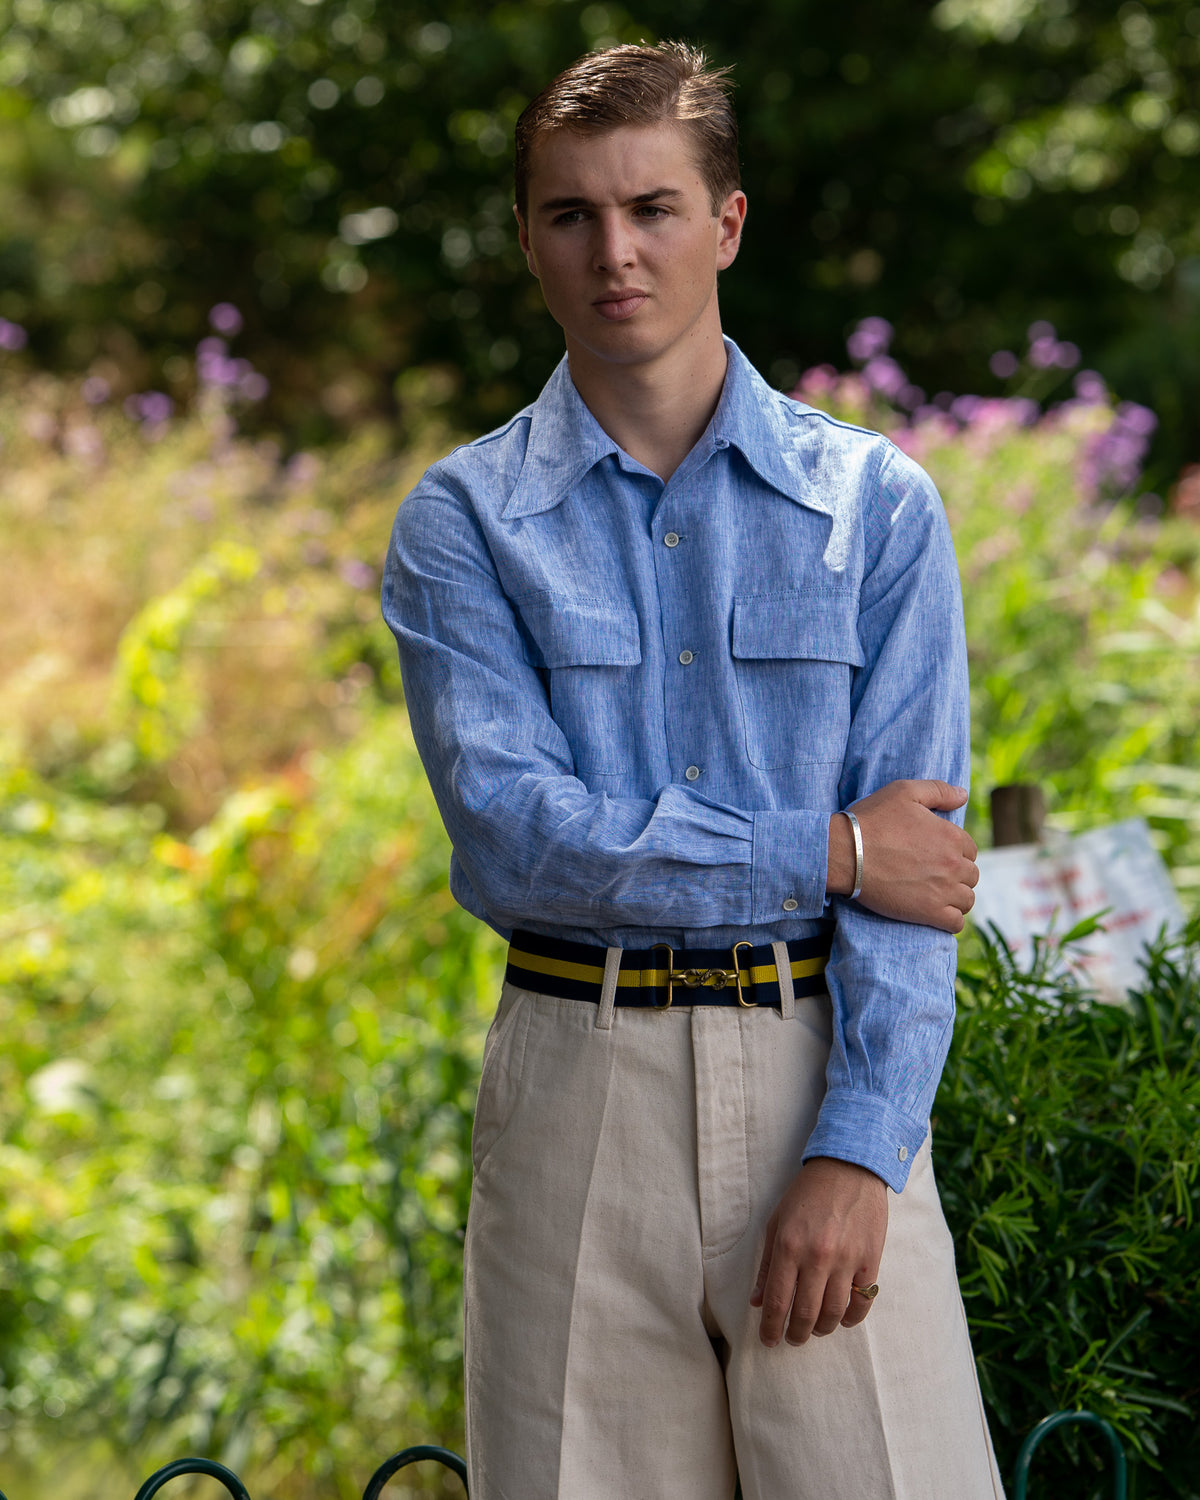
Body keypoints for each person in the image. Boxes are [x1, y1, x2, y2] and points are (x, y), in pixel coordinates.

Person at [382, 40, 1003, 1500]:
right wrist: (830, 852)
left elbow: (920, 879)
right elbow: (517, 843)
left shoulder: (874, 508)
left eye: (652, 208)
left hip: (817, 1074)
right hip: (577, 1097)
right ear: (527, 239)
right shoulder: (464, 524)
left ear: (724, 223)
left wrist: (861, 1153)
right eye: (572, 214)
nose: (615, 252)